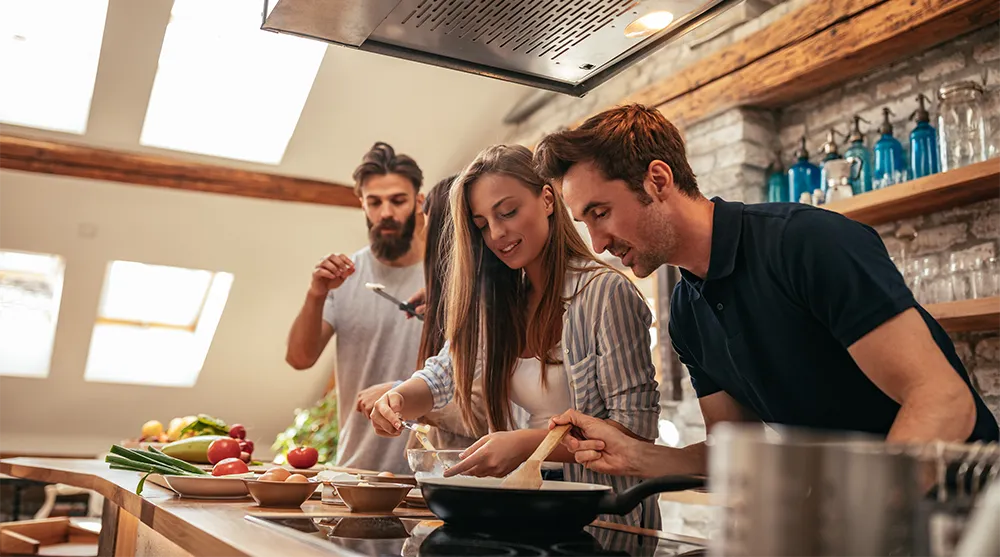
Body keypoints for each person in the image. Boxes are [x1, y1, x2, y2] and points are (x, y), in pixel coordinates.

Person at [531, 104, 999, 479]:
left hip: (966, 517)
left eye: (600, 212)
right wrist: (634, 455)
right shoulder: (686, 312)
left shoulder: (804, 243)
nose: (598, 244)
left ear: (658, 180)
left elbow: (942, 400)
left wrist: (854, 524)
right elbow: (732, 449)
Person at [369, 145, 662, 530]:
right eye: (482, 224)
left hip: (604, 516)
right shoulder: (500, 303)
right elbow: (443, 373)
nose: (497, 234)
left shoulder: (604, 294)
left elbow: (635, 431)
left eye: (508, 212)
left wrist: (527, 444)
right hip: (527, 510)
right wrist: (399, 399)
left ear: (546, 199)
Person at [286, 142, 426, 474]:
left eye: (398, 200)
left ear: (419, 202)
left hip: (428, 471)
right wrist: (316, 293)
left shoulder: (447, 274)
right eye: (374, 202)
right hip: (356, 471)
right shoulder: (345, 275)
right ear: (362, 204)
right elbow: (299, 358)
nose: (386, 213)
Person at [403, 175, 488, 450]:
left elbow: (480, 414)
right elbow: (442, 373)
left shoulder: (487, 308)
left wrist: (405, 397)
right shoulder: (461, 304)